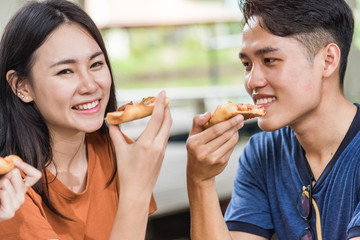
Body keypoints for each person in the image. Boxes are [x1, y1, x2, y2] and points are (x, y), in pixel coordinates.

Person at [186, 0, 360, 239]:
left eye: (269, 61)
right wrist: (201, 180)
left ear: (328, 60)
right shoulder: (262, 153)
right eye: (247, 65)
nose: (252, 81)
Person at [0, 0, 172, 239]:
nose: (91, 85)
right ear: (22, 87)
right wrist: (137, 189)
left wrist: (198, 174)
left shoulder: (116, 150)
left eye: (96, 64)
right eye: (65, 71)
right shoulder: (9, 186)